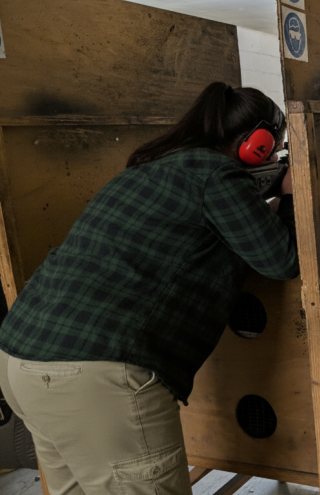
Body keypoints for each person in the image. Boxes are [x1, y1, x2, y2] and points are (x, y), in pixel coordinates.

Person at [0, 82, 299, 495]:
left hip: (21, 359)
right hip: (97, 377)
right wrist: (289, 198)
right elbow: (281, 260)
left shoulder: (150, 168)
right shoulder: (217, 173)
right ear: (257, 145)